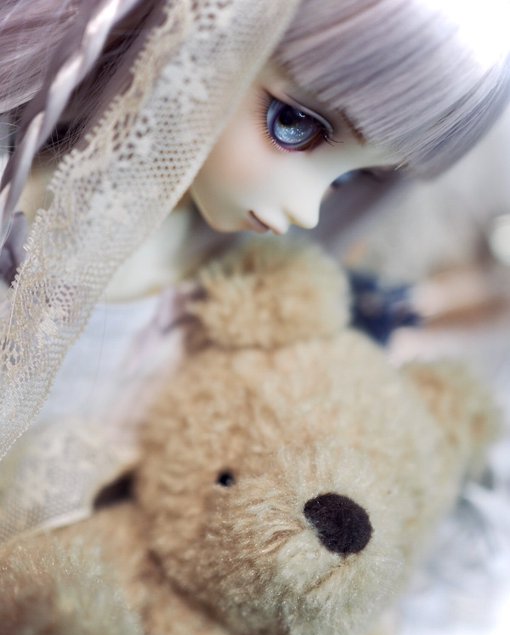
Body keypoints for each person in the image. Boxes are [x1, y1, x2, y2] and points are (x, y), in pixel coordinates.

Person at [0, 0, 509, 533]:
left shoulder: (229, 284)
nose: (307, 211)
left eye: (348, 178)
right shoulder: (25, 193)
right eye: (293, 124)